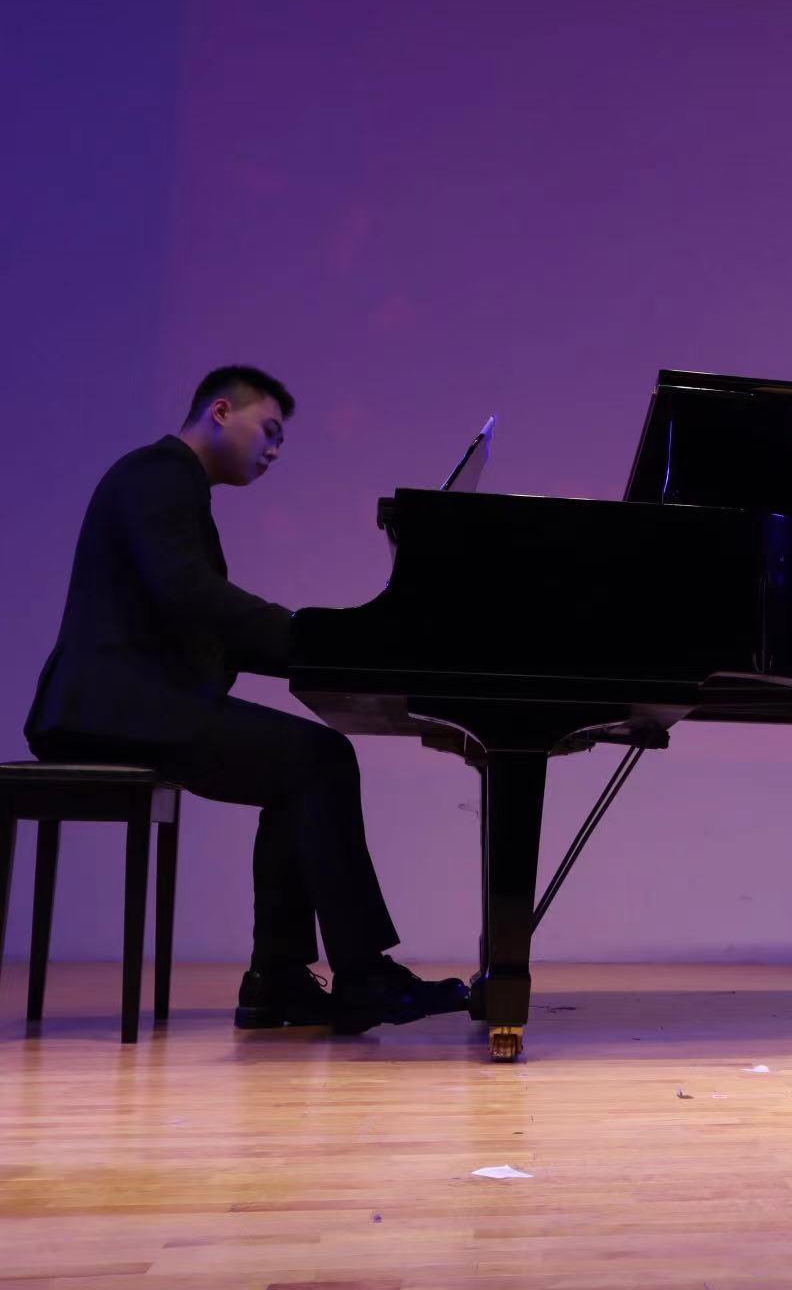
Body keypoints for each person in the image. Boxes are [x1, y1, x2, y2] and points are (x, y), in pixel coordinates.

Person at [25, 366, 469, 1035]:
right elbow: (189, 594)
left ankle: (279, 980)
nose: (274, 451)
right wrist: (312, 637)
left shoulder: (167, 484)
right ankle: (361, 975)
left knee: (302, 768)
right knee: (319, 757)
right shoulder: (158, 474)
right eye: (269, 431)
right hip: (115, 706)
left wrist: (327, 651)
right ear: (220, 412)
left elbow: (199, 622)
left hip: (127, 702)